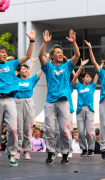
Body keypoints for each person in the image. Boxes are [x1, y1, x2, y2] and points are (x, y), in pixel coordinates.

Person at [0, 27, 35, 167]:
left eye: (6, 52)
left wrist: (32, 41)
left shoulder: (12, 63)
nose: (5, 54)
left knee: (13, 129)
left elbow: (27, 56)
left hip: (10, 100)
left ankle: (12, 154)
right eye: (2, 52)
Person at [38, 30, 80, 165]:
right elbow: (40, 56)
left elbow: (77, 55)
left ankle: (65, 153)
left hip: (64, 102)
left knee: (65, 130)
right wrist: (44, 43)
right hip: (50, 102)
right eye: (57, 52)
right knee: (49, 129)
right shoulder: (48, 66)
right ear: (52, 56)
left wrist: (74, 43)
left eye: (61, 52)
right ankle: (50, 152)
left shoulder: (67, 67)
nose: (61, 54)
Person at [14, 59, 43, 160]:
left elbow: (42, 70)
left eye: (27, 69)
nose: (26, 71)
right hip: (17, 102)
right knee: (18, 129)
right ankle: (17, 150)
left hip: (29, 103)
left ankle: (26, 151)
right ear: (19, 71)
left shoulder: (31, 80)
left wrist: (46, 60)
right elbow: (9, 75)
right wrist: (15, 71)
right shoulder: (15, 80)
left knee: (28, 128)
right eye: (23, 69)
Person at [71, 59, 98, 157]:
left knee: (90, 131)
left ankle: (91, 149)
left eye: (90, 77)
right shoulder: (79, 86)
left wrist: (102, 64)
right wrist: (80, 66)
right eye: (87, 77)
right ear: (83, 78)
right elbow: (75, 75)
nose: (89, 79)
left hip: (89, 110)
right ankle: (83, 149)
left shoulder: (92, 86)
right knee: (81, 132)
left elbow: (97, 73)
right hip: (80, 110)